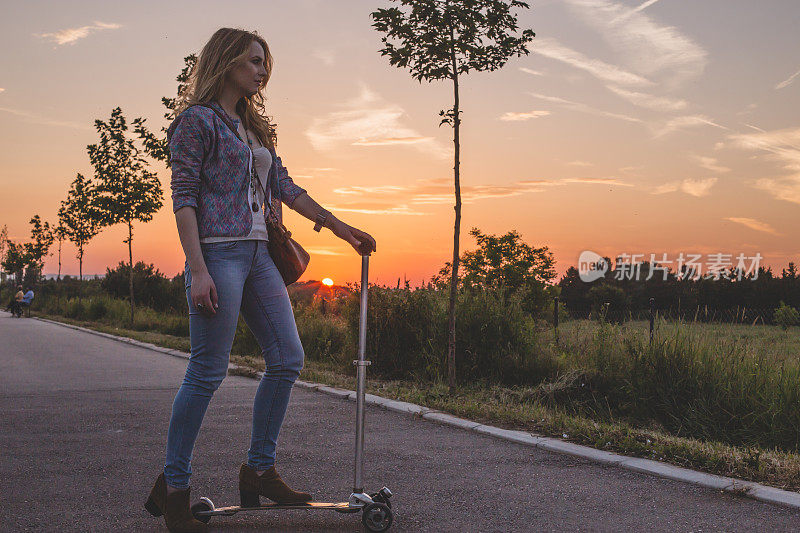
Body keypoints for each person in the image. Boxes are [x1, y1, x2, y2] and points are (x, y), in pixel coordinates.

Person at [144, 28, 376, 533]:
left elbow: (285, 186)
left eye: (265, 63)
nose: (262, 71)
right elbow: (183, 198)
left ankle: (259, 469)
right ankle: (176, 488)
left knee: (288, 358)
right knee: (207, 371)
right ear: (226, 63)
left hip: (259, 256)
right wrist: (198, 268)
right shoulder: (196, 122)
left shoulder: (253, 128)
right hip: (218, 255)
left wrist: (342, 228)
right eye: (253, 62)